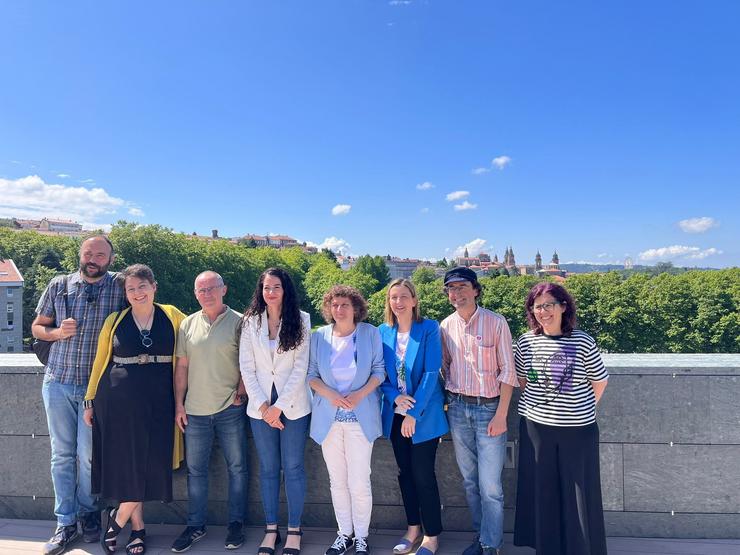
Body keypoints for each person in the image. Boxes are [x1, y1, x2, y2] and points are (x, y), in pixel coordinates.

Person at [32, 235, 126, 555]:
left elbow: (142, 312)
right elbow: (37, 328)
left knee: (87, 457)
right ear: (80, 254)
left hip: (95, 390)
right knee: (61, 455)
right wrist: (57, 332)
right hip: (57, 382)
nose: (93, 258)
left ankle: (88, 514)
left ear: (110, 259)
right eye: (88, 253)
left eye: (100, 254)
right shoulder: (58, 285)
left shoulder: (120, 286)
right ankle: (65, 521)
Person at [82, 264, 186, 555]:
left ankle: (116, 520)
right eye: (131, 289)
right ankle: (138, 530)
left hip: (160, 401)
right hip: (117, 401)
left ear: (154, 286)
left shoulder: (173, 315)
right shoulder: (115, 320)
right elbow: (101, 360)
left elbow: (196, 344)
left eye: (143, 286)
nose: (137, 293)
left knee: (150, 462)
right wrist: (90, 399)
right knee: (128, 465)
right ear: (125, 293)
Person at [513, 282, 609, 555]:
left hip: (577, 430)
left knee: (577, 493)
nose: (543, 312)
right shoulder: (526, 341)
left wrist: (576, 409)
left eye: (549, 305)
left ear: (563, 307)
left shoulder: (582, 340)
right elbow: (524, 381)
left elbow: (599, 382)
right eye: (537, 306)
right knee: (543, 491)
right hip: (536, 428)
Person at [439, 267, 518, 555]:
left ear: (475, 290)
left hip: (489, 410)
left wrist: (501, 415)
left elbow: (509, 371)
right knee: (470, 482)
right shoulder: (445, 327)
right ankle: (480, 537)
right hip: (458, 408)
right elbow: (445, 367)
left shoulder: (496, 323)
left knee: (491, 486)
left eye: (462, 287)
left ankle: (491, 545)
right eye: (451, 289)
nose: (456, 293)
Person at [171, 271, 248, 553]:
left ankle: (236, 524)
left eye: (212, 288)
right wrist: (179, 404)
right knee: (195, 471)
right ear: (195, 294)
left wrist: (241, 393)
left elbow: (247, 363)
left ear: (224, 289)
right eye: (201, 290)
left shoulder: (240, 322)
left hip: (231, 407)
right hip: (194, 411)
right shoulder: (187, 325)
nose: (207, 294)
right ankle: (195, 525)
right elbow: (182, 368)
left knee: (237, 469)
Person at [307, 285, 385, 555]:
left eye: (344, 305)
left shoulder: (370, 333)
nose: (338, 309)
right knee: (337, 481)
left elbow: (379, 371)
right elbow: (311, 375)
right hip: (328, 419)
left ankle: (362, 536)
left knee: (360, 480)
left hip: (359, 418)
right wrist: (329, 393)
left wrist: (359, 394)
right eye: (334, 305)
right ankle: (344, 534)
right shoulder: (319, 337)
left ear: (356, 309)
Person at [240, 268, 312, 555]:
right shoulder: (249, 322)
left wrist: (278, 407)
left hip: (293, 405)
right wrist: (263, 406)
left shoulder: (302, 320)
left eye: (276, 287)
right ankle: (271, 529)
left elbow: (301, 367)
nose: (270, 292)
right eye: (266, 287)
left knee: (293, 468)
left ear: (286, 290)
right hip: (259, 407)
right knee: (269, 470)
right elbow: (247, 366)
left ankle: (294, 529)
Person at [378, 279, 448, 555]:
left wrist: (413, 413)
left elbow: (432, 373)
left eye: (404, 296)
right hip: (395, 414)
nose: (399, 302)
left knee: (423, 475)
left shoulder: (429, 328)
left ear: (414, 300)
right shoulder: (382, 331)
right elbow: (379, 373)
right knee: (405, 474)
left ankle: (431, 535)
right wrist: (394, 396)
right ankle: (412, 529)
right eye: (393, 297)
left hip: (424, 416)